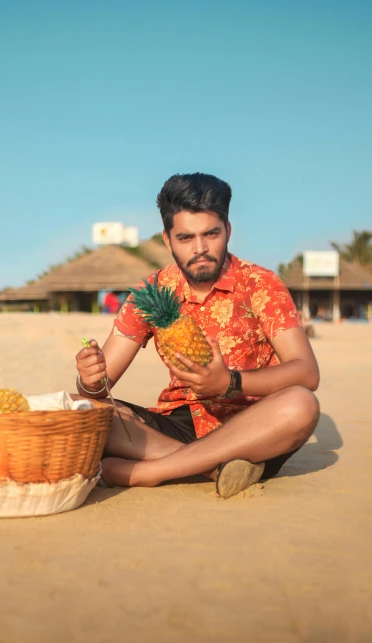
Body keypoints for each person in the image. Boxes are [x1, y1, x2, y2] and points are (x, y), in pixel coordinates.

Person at [75, 173, 320, 498]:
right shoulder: (153, 292)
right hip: (176, 427)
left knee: (301, 404)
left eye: (211, 234)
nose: (200, 248)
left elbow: (306, 371)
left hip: (254, 429)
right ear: (168, 239)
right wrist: (89, 380)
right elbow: (101, 389)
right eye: (186, 237)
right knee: (78, 407)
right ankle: (213, 470)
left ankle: (152, 471)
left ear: (227, 230)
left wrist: (229, 383)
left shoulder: (261, 284)